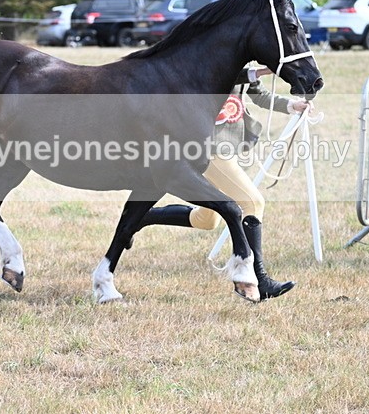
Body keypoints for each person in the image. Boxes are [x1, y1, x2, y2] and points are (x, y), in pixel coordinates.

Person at [131, 66, 311, 298]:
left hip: (226, 145)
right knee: (252, 203)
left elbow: (259, 95)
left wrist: (291, 105)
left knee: (207, 219)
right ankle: (259, 279)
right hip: (209, 147)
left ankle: (144, 217)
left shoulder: (245, 61)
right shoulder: (218, 55)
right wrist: (260, 70)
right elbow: (221, 73)